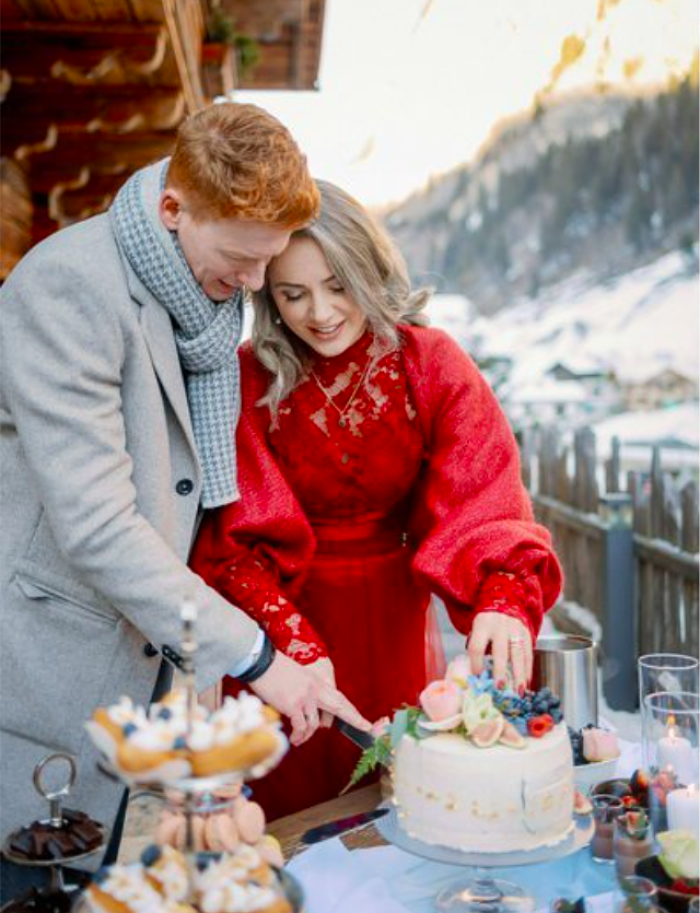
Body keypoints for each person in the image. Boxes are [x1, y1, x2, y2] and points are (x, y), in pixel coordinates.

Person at [0, 106, 370, 901]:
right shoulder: (71, 286)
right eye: (241, 257)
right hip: (36, 681)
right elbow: (98, 527)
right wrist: (259, 658)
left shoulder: (198, 303)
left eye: (265, 261)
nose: (253, 284)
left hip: (131, 679)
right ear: (174, 208)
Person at [190, 180, 564, 820]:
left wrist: (504, 591)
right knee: (283, 816)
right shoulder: (249, 375)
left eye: (338, 285)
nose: (321, 313)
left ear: (369, 269)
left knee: (402, 800)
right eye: (293, 293)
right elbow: (232, 537)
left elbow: (483, 488)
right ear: (269, 299)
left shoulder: (431, 361)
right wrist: (290, 645)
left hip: (394, 617)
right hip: (280, 626)